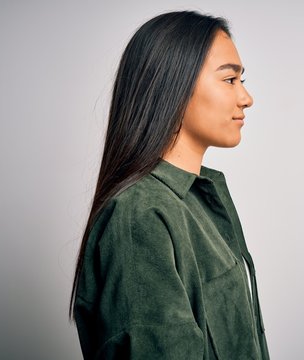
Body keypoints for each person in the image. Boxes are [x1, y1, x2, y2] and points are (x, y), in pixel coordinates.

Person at [69, 10, 270, 359]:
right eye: (229, 80)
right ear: (173, 85)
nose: (246, 97)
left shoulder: (197, 202)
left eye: (242, 80)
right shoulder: (140, 216)